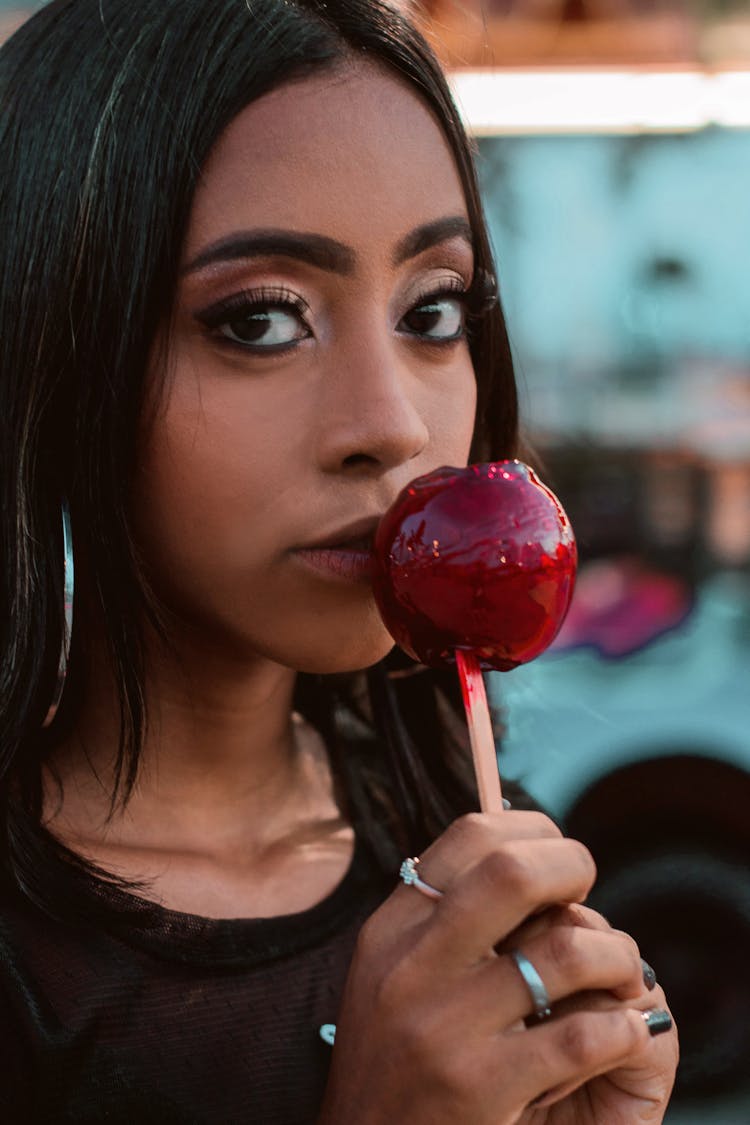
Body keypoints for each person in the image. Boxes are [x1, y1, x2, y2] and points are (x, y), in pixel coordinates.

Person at [0, 0, 678, 1121]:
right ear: (56, 349)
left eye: (434, 309)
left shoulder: (468, 850)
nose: (394, 423)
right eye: (261, 321)